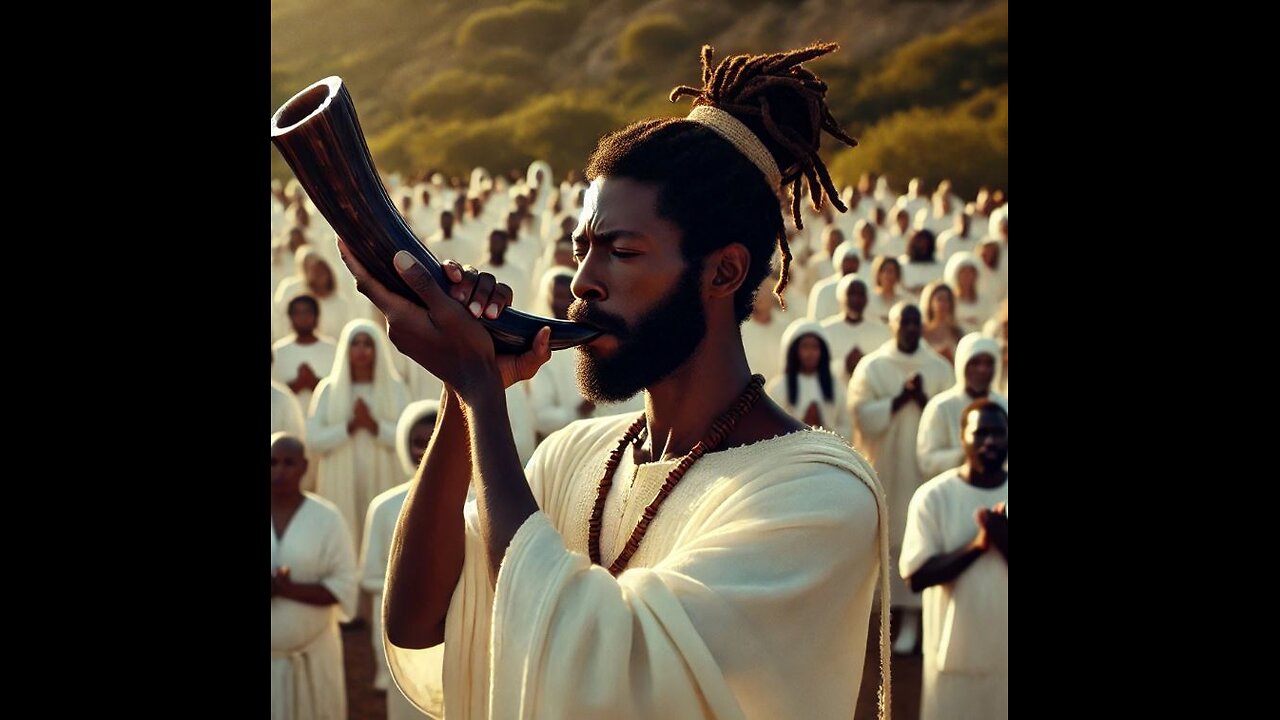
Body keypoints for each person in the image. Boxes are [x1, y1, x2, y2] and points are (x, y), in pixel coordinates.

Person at [345, 43, 891, 719]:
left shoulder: (817, 495)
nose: (582, 283)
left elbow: (600, 668)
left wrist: (484, 394)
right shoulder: (572, 457)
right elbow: (420, 624)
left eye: (621, 251)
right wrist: (461, 396)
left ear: (722, 272)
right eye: (582, 248)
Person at [848, 302, 953, 656]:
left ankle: (913, 618)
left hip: (922, 470)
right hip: (887, 466)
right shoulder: (873, 367)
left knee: (918, 536)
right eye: (902, 321)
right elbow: (860, 415)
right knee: (887, 537)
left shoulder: (938, 368)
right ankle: (886, 616)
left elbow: (950, 415)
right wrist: (897, 400)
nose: (909, 327)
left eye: (914, 322)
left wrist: (922, 400)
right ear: (891, 325)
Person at [900, 400, 1008, 720]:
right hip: (954, 657)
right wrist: (977, 546)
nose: (990, 441)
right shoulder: (933, 497)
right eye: (981, 433)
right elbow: (916, 576)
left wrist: (1004, 540)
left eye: (998, 433)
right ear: (962, 438)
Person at [361, 402, 441, 720]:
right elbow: (371, 579)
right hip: (405, 637)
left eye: (435, 439)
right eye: (418, 442)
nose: (426, 450)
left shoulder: (475, 504)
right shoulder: (384, 508)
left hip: (456, 630)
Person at [271, 433, 359, 720]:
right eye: (272, 462)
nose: (279, 471)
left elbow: (344, 585)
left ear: (304, 467)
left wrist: (287, 589)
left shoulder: (327, 519)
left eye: (288, 463)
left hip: (315, 657)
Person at [306, 319, 410, 543]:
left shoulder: (395, 389)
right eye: (355, 343)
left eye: (367, 343)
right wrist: (350, 426)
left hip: (384, 476)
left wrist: (373, 425)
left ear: (377, 348)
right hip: (340, 478)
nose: (361, 350)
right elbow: (314, 440)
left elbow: (407, 438)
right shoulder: (328, 389)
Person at [917, 333, 1007, 480]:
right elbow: (927, 461)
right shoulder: (940, 407)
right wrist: (969, 452)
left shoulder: (1004, 405)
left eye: (988, 363)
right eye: (975, 363)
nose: (982, 370)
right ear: (962, 364)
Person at [766, 320, 850, 439]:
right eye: (805, 347)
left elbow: (848, 428)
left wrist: (822, 428)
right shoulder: (779, 387)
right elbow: (771, 429)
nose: (810, 353)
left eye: (815, 347)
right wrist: (802, 426)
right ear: (794, 350)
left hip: (828, 449)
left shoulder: (835, 386)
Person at [821, 275, 891, 389]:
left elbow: (886, 369)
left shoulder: (881, 331)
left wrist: (864, 365)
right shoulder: (825, 330)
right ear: (841, 297)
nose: (856, 299)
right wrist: (843, 365)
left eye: (860, 295)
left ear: (867, 299)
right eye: (851, 294)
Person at [273, 295, 338, 413]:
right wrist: (297, 384)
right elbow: (274, 394)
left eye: (307, 312)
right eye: (297, 313)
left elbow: (338, 390)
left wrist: (314, 382)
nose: (302, 317)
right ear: (290, 317)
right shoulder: (278, 350)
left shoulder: (332, 348)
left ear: (316, 316)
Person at [807, 241, 864, 321]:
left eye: (854, 261)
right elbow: (815, 320)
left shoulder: (864, 290)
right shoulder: (823, 289)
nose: (851, 265)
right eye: (847, 261)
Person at [944, 252, 996, 335]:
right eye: (963, 272)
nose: (967, 276)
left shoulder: (986, 301)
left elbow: (992, 323)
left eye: (970, 272)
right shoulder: (948, 302)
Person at [920, 281, 965, 363]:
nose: (944, 304)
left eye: (947, 300)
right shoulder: (920, 332)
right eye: (940, 299)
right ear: (930, 302)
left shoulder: (957, 332)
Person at [865, 255, 913, 325]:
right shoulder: (868, 299)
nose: (888, 275)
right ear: (878, 274)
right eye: (885, 271)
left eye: (892, 271)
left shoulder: (905, 300)